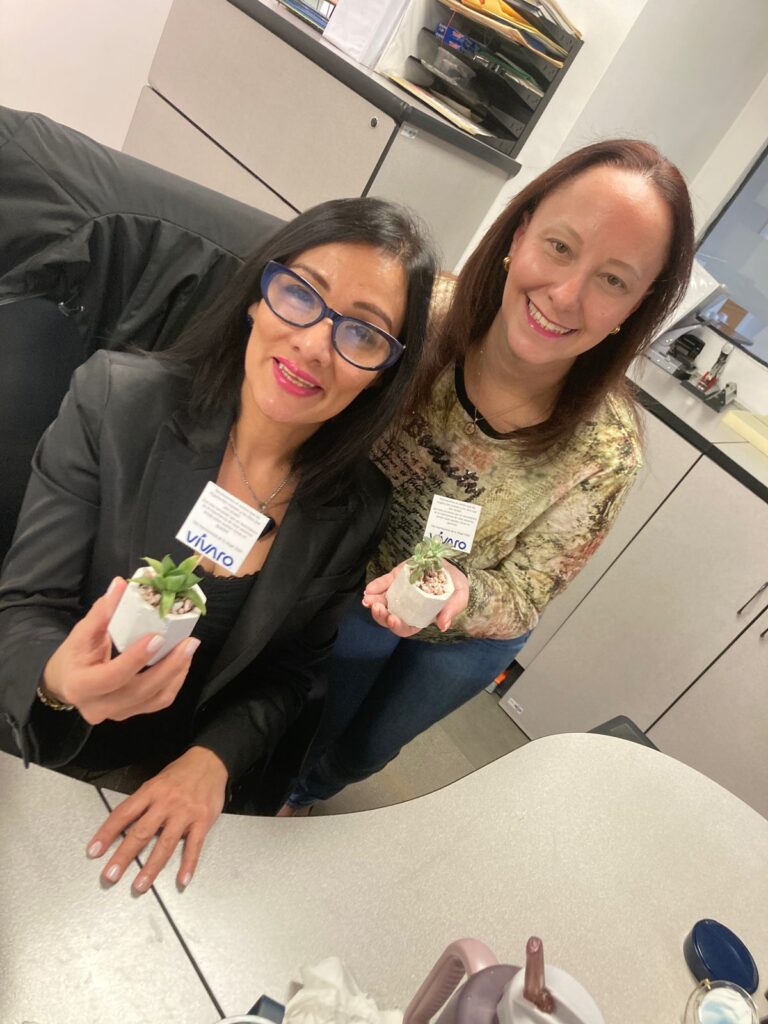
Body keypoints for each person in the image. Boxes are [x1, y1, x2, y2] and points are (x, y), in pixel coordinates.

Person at [0, 197, 437, 890]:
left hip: (173, 783)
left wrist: (212, 760)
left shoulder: (354, 508)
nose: (314, 344)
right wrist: (60, 682)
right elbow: (25, 605)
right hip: (40, 743)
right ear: (258, 297)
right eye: (302, 294)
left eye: (363, 333)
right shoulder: (117, 402)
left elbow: (292, 675)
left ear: (384, 370)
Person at [281, 139, 695, 814]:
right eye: (559, 246)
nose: (566, 296)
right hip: (342, 569)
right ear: (519, 233)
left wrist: (460, 594)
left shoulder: (607, 450)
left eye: (613, 281)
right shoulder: (419, 315)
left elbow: (529, 590)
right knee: (312, 703)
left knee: (364, 750)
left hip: (465, 625)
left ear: (637, 306)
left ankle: (307, 794)